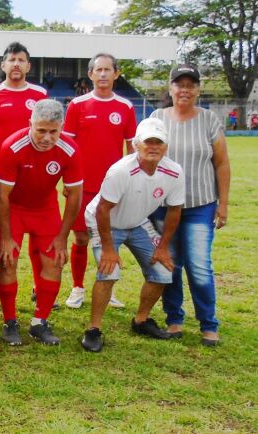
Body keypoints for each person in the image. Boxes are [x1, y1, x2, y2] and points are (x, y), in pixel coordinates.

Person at [81, 118, 184, 352]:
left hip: (137, 222)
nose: (154, 147)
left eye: (159, 142)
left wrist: (163, 246)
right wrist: (108, 249)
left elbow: (175, 210)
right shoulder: (121, 170)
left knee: (162, 271)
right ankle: (93, 329)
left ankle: (141, 320)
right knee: (109, 272)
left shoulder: (174, 172)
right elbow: (103, 209)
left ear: (166, 147)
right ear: (137, 144)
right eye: (148, 142)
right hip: (104, 222)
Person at [150, 64, 230, 346]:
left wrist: (223, 204)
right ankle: (174, 319)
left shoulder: (209, 120)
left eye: (190, 85)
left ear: (197, 89)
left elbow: (221, 163)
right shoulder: (157, 118)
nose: (184, 89)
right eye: (179, 84)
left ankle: (209, 324)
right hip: (163, 204)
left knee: (199, 266)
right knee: (169, 263)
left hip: (200, 204)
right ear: (170, 88)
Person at [0, 99, 82, 346]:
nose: (46, 137)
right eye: (41, 130)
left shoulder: (70, 149)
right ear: (30, 124)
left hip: (45, 209)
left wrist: (62, 237)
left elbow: (74, 195)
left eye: (53, 131)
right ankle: (10, 321)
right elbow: (2, 196)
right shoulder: (12, 147)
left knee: (54, 262)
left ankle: (39, 322)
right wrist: (5, 236)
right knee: (8, 259)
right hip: (13, 208)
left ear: (62, 127)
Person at [0, 41, 47, 311]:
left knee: (38, 238)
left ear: (29, 66)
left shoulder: (40, 94)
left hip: (31, 175)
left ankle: (40, 288)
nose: (16, 64)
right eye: (11, 59)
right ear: (3, 65)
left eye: (21, 60)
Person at [62, 53, 137, 310]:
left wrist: (131, 182)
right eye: (98, 70)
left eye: (108, 70)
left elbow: (132, 148)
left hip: (113, 187)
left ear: (116, 74)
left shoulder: (125, 107)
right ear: (91, 74)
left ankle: (109, 286)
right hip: (82, 185)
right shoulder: (77, 105)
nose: (103, 74)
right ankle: (78, 287)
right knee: (81, 238)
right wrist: (68, 182)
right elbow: (67, 146)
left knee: (110, 239)